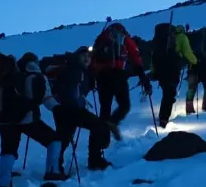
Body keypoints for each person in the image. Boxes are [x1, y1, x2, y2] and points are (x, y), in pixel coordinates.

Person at [0, 52, 64, 187]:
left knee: (8, 150)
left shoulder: (9, 76)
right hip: (28, 119)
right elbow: (45, 98)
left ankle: (4, 185)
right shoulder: (35, 74)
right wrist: (58, 109)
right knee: (54, 139)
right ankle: (52, 171)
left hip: (6, 121)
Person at [90, 21, 151, 169]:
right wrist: (142, 76)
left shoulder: (101, 38)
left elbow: (93, 59)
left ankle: (98, 152)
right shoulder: (124, 38)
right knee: (124, 105)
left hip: (101, 77)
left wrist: (93, 78)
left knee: (104, 110)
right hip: (117, 74)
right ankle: (113, 122)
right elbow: (135, 56)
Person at [49, 47, 117, 173]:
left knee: (64, 138)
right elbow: (72, 92)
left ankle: (55, 168)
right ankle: (94, 160)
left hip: (64, 109)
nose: (87, 58)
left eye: (89, 56)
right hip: (71, 109)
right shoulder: (75, 70)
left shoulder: (81, 70)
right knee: (96, 126)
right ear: (77, 56)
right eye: (84, 56)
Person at [149, 22, 197, 127]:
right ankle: (164, 119)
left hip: (160, 68)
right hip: (172, 67)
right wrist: (195, 61)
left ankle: (163, 115)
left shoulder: (160, 40)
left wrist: (154, 71)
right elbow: (187, 52)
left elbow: (153, 56)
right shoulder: (182, 37)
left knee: (167, 92)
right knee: (170, 93)